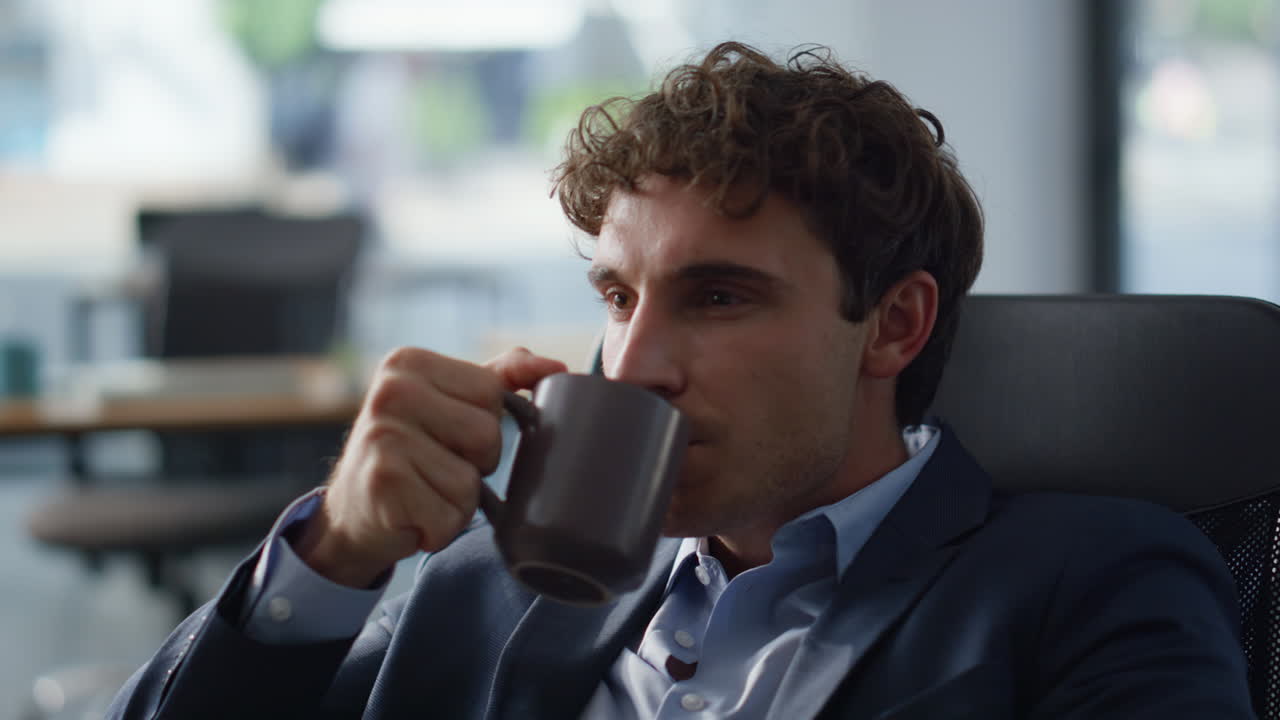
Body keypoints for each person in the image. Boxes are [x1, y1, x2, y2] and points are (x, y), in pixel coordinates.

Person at [107, 42, 1253, 719]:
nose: (633, 364)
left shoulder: (1091, 578)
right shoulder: (480, 586)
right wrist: (330, 562)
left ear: (891, 326)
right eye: (616, 298)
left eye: (716, 297)